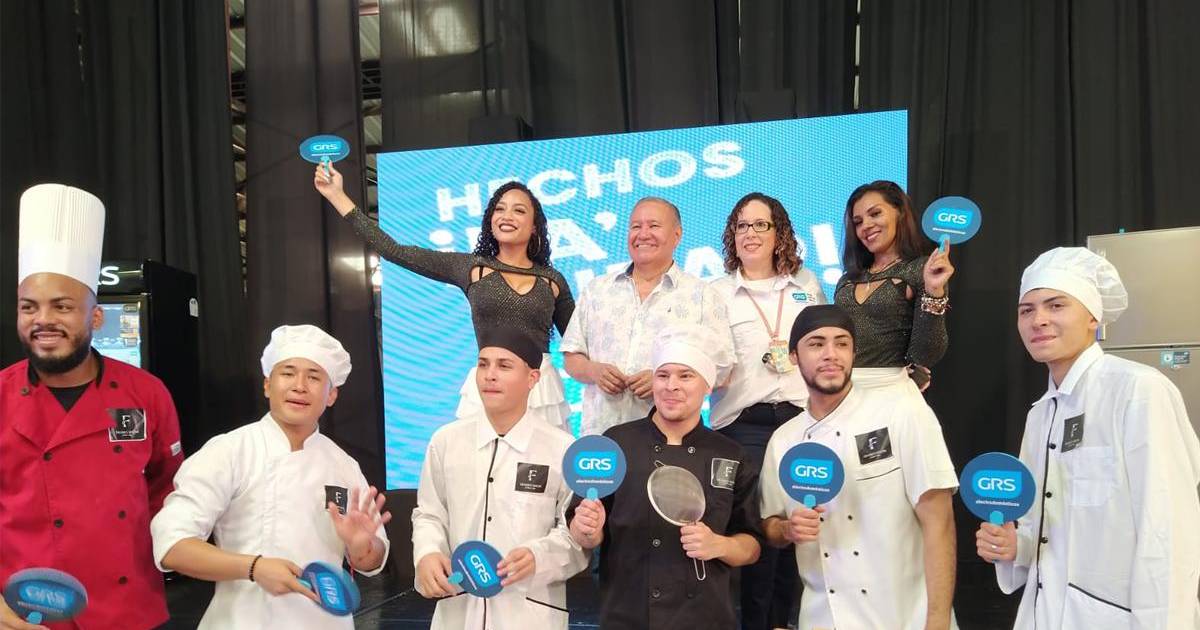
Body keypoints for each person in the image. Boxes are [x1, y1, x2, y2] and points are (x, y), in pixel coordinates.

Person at [976, 247, 1200, 629]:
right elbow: (1045, 530)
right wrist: (1016, 547)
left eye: (1056, 305)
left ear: (1093, 316)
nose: (1038, 320)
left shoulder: (1138, 391)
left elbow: (1168, 535)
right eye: (1026, 310)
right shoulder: (1039, 415)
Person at [1, 184, 185, 630]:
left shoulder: (146, 394)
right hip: (24, 613)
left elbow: (169, 491)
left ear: (95, 317)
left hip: (128, 610)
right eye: (29, 307)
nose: (43, 320)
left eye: (62, 306)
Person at [151, 325, 391, 629]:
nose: (299, 386)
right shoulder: (229, 451)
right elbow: (172, 546)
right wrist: (254, 567)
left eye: (314, 377)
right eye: (288, 373)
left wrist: (361, 547)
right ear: (267, 385)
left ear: (331, 395)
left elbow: (371, 562)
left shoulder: (343, 465)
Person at [314, 165, 572, 427]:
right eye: (499, 209)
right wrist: (336, 195)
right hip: (490, 382)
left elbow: (580, 340)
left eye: (519, 210)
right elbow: (394, 250)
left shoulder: (553, 280)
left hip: (540, 389)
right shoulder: (471, 267)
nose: (507, 216)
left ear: (535, 227)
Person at [760, 305, 959, 630]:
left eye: (842, 343)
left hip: (905, 616)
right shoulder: (784, 440)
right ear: (794, 356)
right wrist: (787, 530)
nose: (831, 354)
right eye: (816, 344)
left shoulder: (902, 412)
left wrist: (937, 622)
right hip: (824, 618)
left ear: (854, 353)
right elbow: (769, 523)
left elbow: (940, 522)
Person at [567, 324, 761, 630]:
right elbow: (585, 535)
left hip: (704, 618)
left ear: (707, 386)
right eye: (663, 375)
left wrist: (718, 545)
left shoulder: (731, 454)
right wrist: (587, 530)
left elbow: (752, 545)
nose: (672, 386)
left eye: (685, 376)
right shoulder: (616, 443)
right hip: (626, 615)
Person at [411, 330, 588, 629]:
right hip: (458, 608)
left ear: (533, 378)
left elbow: (576, 539)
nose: (490, 375)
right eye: (483, 364)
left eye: (504, 366)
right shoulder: (446, 441)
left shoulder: (561, 449)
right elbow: (429, 514)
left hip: (529, 614)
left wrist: (539, 556)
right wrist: (427, 552)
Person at [708, 192, 825, 630]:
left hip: (802, 420)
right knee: (759, 530)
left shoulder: (806, 285)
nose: (751, 233)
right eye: (742, 225)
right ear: (732, 236)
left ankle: (785, 622)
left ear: (780, 234)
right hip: (744, 425)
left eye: (761, 224)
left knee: (798, 527)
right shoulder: (716, 292)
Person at [561, 197, 734, 436]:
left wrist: (665, 380)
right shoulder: (597, 290)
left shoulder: (702, 295)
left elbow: (723, 369)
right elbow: (572, 356)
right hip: (602, 436)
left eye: (653, 226)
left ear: (677, 235)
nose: (643, 234)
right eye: (636, 226)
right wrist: (594, 371)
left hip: (670, 439)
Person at [835, 180, 954, 395]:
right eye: (858, 222)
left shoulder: (922, 269)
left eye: (875, 214)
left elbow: (926, 354)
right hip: (842, 392)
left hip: (892, 394)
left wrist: (934, 292)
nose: (866, 226)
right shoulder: (847, 279)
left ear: (899, 212)